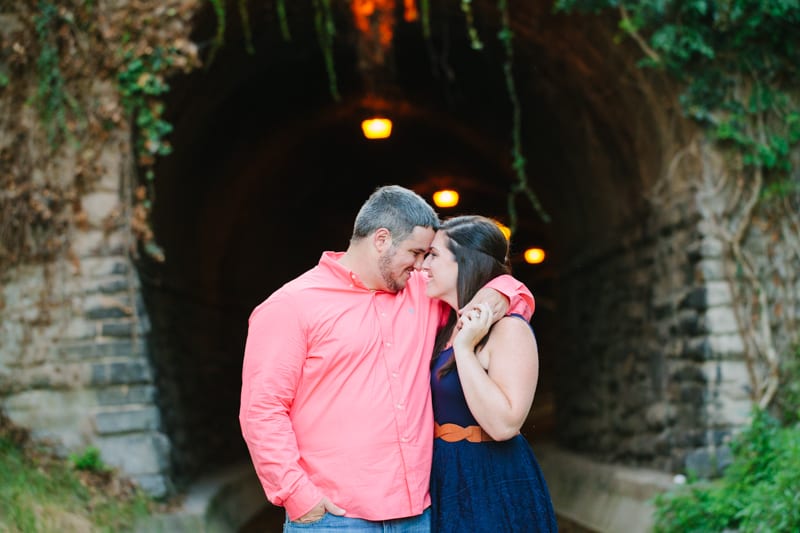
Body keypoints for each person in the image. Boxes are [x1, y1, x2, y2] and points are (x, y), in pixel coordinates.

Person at [239, 185, 534, 532]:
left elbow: (501, 286)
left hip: (419, 515)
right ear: (381, 239)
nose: (421, 264)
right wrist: (298, 496)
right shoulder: (290, 306)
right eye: (415, 252)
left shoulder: (424, 295)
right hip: (336, 518)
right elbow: (262, 409)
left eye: (428, 255)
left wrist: (500, 294)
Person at [422, 215, 558, 532]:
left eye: (434, 255)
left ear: (466, 262)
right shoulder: (442, 325)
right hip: (444, 473)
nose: (423, 264)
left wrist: (466, 350)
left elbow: (504, 425)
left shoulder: (509, 329)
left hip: (492, 477)